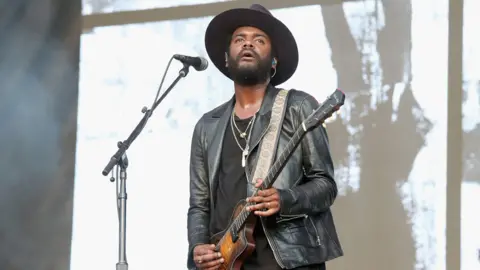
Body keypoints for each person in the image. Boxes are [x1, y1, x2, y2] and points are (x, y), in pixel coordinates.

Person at [187, 4, 343, 270]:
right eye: (240, 39)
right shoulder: (207, 126)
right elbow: (199, 206)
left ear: (273, 61)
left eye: (259, 40)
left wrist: (285, 198)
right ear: (226, 58)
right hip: (228, 260)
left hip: (288, 260)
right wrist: (197, 246)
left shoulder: (298, 107)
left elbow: (325, 186)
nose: (248, 45)